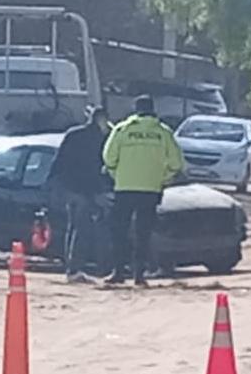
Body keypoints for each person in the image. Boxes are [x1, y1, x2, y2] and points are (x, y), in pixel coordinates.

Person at [102, 95, 184, 286]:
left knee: (120, 231)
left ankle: (119, 272)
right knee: (143, 232)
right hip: (150, 189)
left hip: (124, 188)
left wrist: (117, 175)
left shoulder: (123, 130)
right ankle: (139, 274)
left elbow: (108, 158)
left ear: (136, 110)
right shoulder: (164, 133)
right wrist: (163, 178)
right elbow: (176, 163)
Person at [48, 106, 111, 283]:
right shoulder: (100, 139)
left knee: (75, 228)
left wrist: (57, 186)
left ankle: (73, 268)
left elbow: (58, 164)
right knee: (86, 229)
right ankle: (90, 268)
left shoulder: (73, 135)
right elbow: (98, 168)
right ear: (101, 120)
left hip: (72, 189)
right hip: (85, 190)